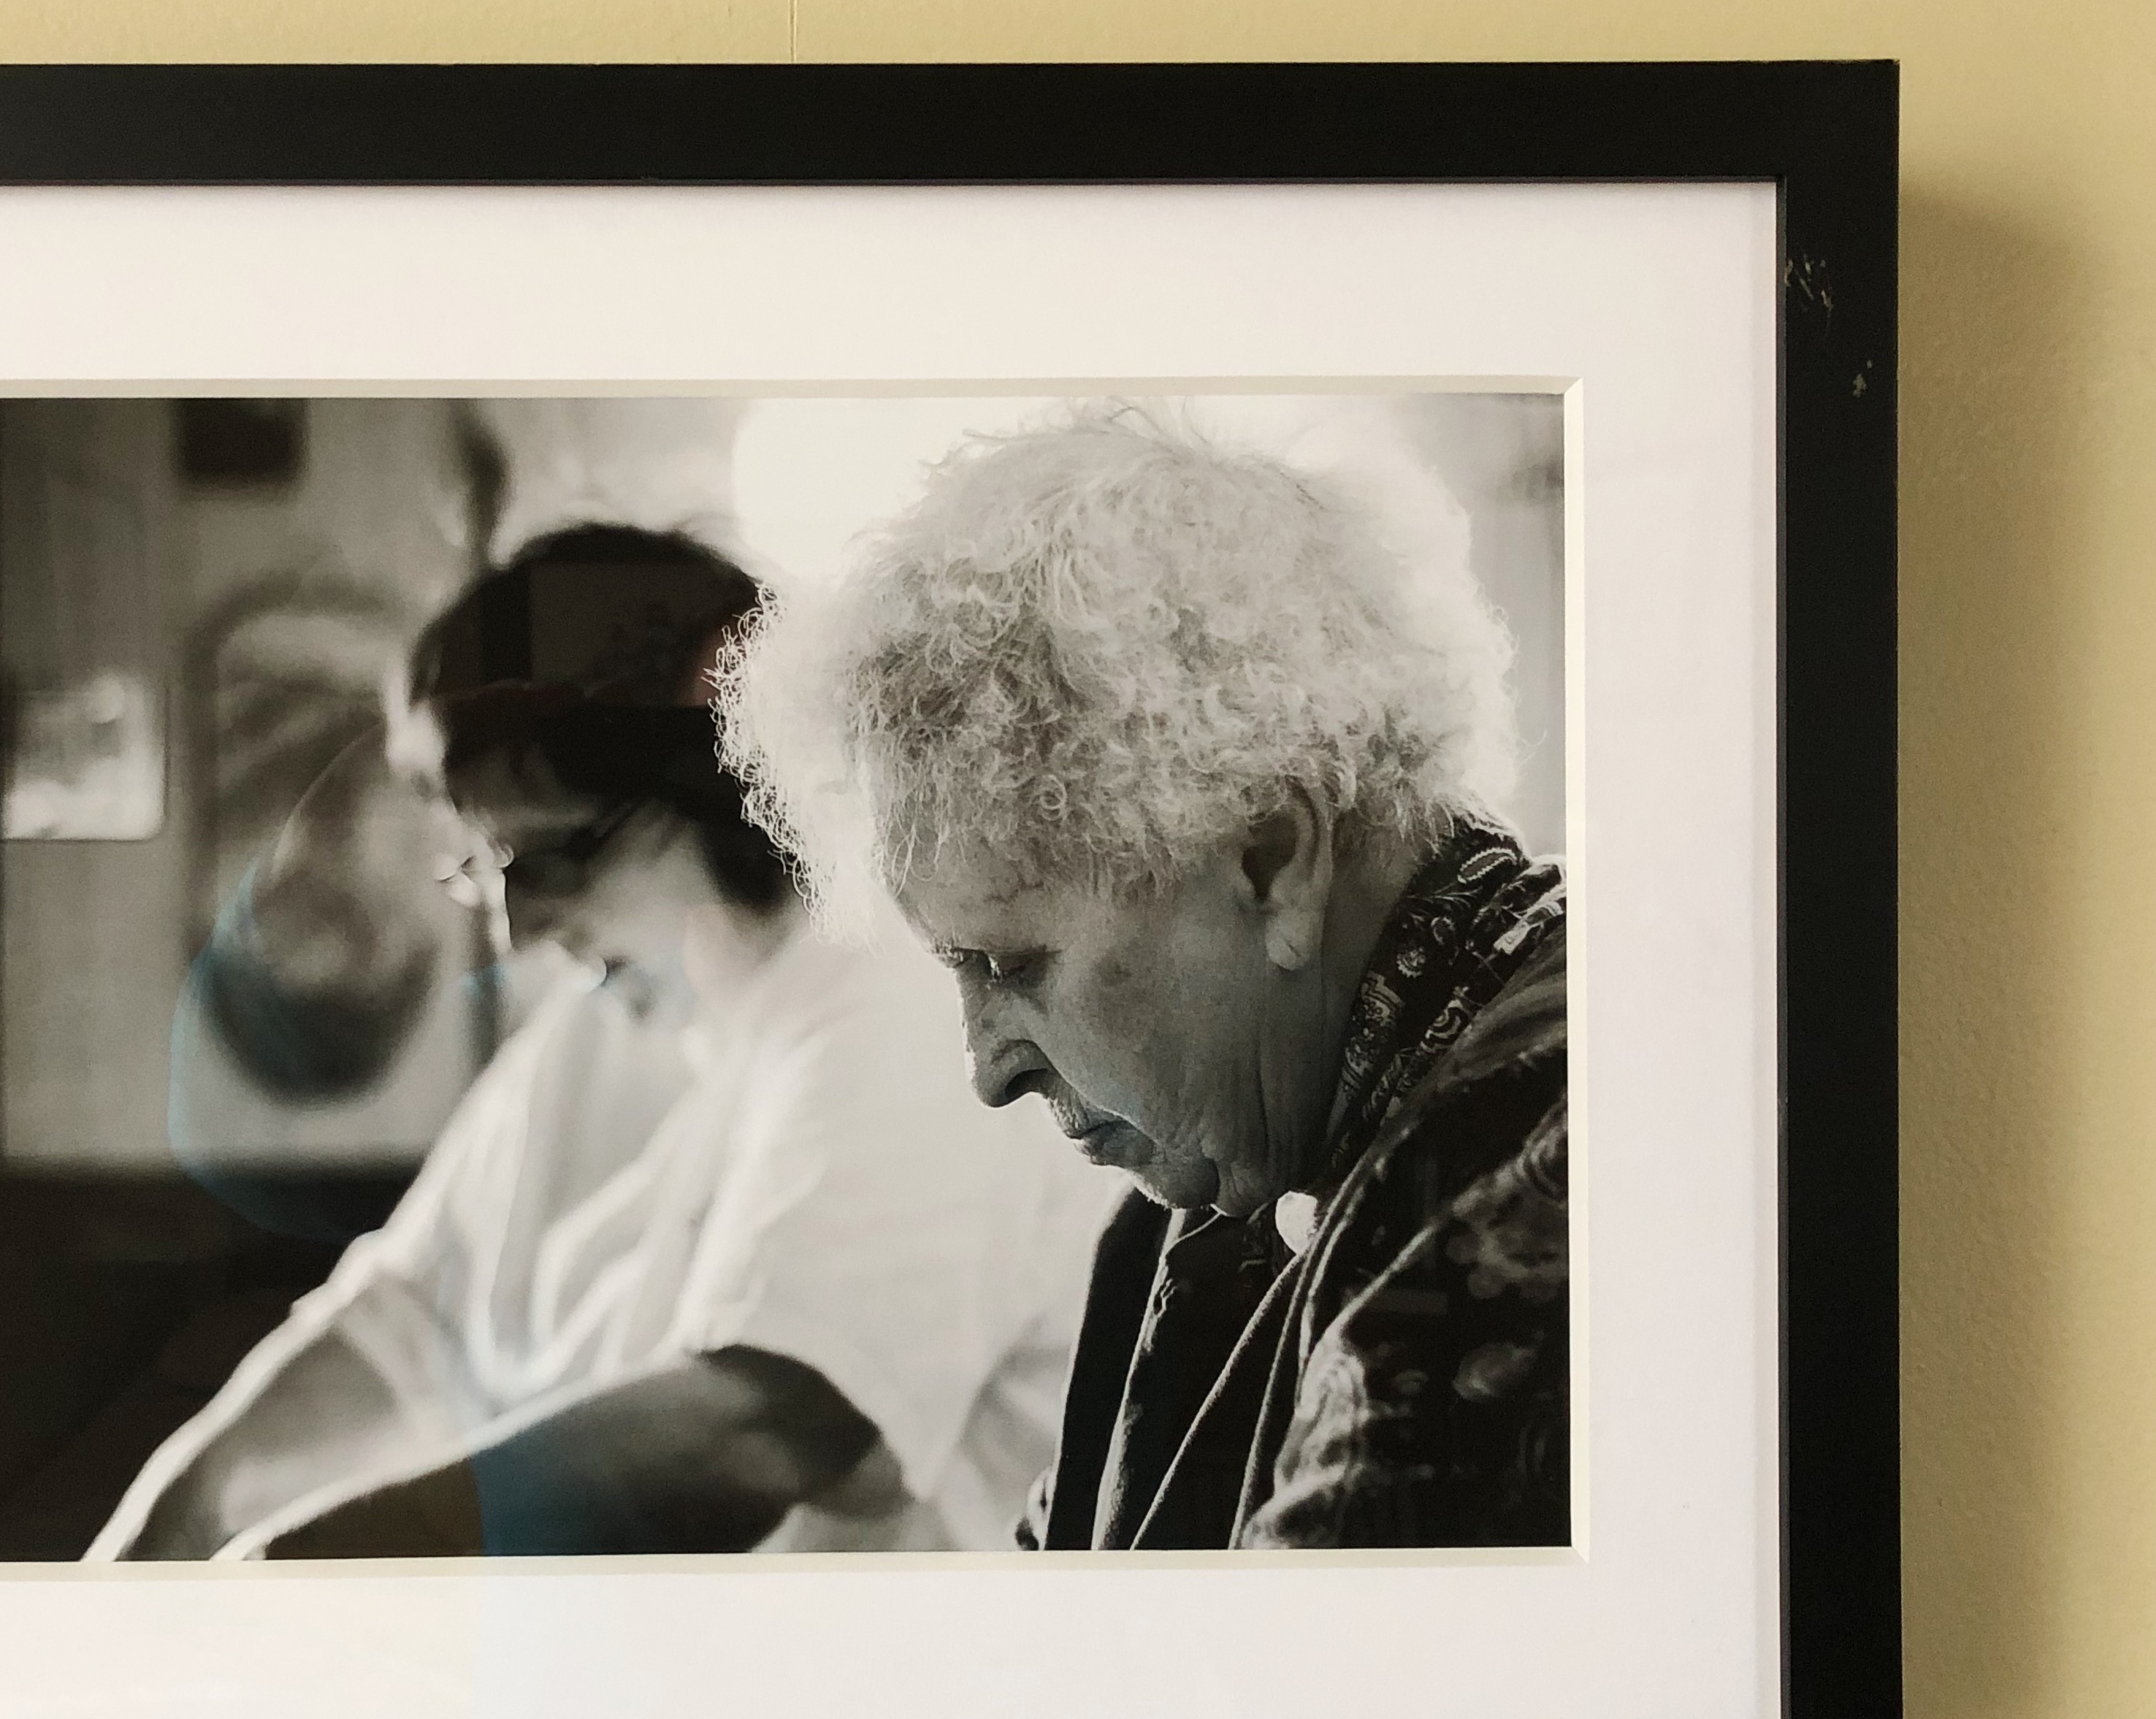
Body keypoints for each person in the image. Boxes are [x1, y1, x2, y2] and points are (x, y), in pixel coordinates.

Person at [91, 521, 1124, 1561]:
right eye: (482, 863)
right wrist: (164, 1538)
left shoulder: (902, 1006)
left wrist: (307, 1567)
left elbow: (763, 1426)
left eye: (552, 857)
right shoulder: (605, 1024)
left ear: (724, 790)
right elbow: (400, 1327)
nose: (516, 929)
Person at [722, 403, 1568, 1551]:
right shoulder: (1204, 1196)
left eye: (1015, 965)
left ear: (1274, 861)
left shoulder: (1544, 1148)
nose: (988, 1071)